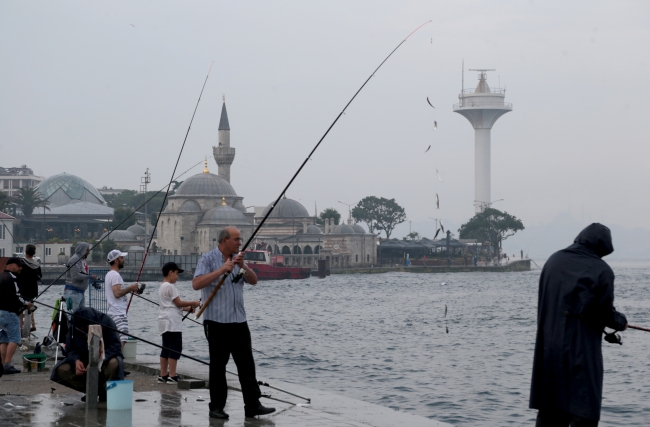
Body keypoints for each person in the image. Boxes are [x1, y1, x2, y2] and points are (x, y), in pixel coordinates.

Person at [529, 223, 627, 426]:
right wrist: (621, 322)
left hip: (548, 349)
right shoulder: (601, 270)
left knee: (549, 410)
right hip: (581, 352)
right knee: (584, 412)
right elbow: (604, 313)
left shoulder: (554, 260)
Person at [192, 227, 274, 420]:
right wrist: (221, 270)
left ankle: (253, 404)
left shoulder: (239, 260)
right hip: (217, 322)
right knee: (218, 367)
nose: (239, 243)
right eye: (236, 239)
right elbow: (196, 283)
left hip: (239, 321)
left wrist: (243, 266)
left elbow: (254, 281)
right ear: (224, 240)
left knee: (247, 365)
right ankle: (217, 407)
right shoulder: (208, 259)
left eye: (240, 239)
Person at [51, 306, 124, 402]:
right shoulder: (74, 325)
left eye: (84, 327)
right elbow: (69, 349)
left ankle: (106, 391)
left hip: (104, 360)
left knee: (115, 363)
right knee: (60, 369)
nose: (82, 328)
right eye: (80, 327)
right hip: (83, 360)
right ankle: (91, 391)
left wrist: (100, 359)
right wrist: (76, 360)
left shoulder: (107, 321)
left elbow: (116, 347)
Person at [157, 262, 200, 384]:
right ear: (170, 272)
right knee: (175, 348)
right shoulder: (170, 287)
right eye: (176, 273)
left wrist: (187, 309)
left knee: (165, 348)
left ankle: (163, 375)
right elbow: (179, 303)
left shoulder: (162, 286)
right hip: (172, 322)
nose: (177, 276)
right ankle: (172, 376)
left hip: (163, 321)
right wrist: (194, 303)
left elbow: (172, 305)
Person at [0, 258, 31, 374]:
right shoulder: (12, 278)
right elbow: (17, 296)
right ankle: (8, 364)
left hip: (0, 313)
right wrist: (27, 304)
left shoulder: (1, 276)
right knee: (14, 338)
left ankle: (2, 364)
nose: (20, 268)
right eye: (19, 266)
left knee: (4, 339)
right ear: (11, 266)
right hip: (9, 313)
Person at [104, 250, 139, 349]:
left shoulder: (109, 274)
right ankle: (116, 359)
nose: (123, 260)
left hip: (113, 311)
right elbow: (117, 293)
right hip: (118, 313)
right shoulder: (115, 275)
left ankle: (112, 359)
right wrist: (130, 288)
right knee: (122, 339)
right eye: (121, 258)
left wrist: (130, 290)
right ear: (116, 261)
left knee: (115, 339)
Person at [64, 242, 96, 314]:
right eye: (87, 250)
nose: (89, 252)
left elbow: (83, 273)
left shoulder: (82, 260)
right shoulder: (75, 259)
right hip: (73, 292)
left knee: (80, 317)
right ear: (82, 250)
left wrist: (91, 277)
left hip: (80, 292)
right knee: (72, 316)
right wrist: (89, 276)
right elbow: (75, 276)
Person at [18, 244, 41, 336]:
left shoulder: (21, 263)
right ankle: (26, 334)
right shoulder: (37, 265)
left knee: (19, 312)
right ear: (34, 253)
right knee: (28, 313)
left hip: (21, 291)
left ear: (25, 252)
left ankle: (19, 331)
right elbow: (40, 277)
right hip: (32, 292)